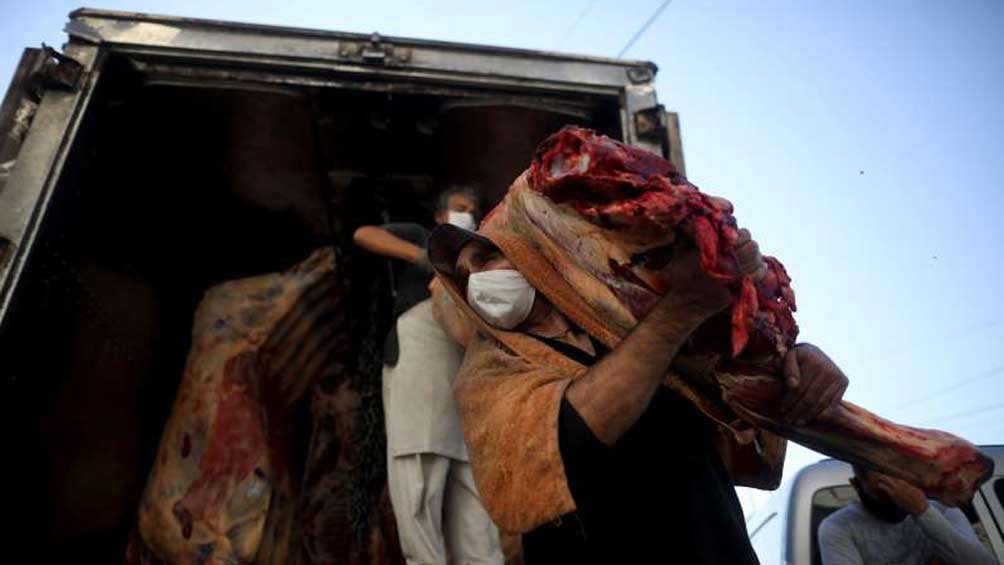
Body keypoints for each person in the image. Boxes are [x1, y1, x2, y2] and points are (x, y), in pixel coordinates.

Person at [426, 218, 851, 564]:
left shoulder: (626, 318)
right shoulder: (486, 376)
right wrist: (682, 309)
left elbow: (737, 407)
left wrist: (792, 360)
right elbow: (568, 441)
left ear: (529, 250)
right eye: (464, 277)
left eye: (486, 257)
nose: (476, 281)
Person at [353, 187, 504, 565]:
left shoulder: (484, 260)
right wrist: (422, 256)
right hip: (421, 357)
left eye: (472, 210)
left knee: (474, 508)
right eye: (459, 208)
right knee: (420, 485)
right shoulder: (425, 236)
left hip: (465, 374)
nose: (466, 215)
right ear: (440, 217)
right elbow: (364, 234)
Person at [818, 465, 997, 565]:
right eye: (881, 492)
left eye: (900, 489)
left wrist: (922, 512)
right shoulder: (839, 527)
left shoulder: (942, 511)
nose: (893, 500)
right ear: (857, 485)